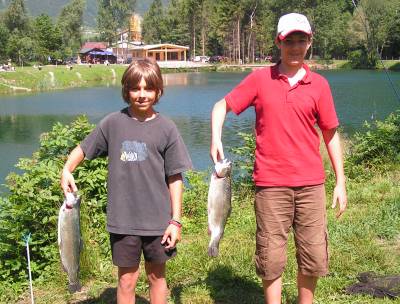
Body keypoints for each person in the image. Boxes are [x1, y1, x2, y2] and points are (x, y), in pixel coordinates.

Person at [210, 13, 347, 304]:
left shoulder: (320, 85)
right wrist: (215, 138)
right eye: (289, 41)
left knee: (313, 253)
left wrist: (340, 182)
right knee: (270, 254)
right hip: (271, 186)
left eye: (301, 40)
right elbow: (221, 106)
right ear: (278, 42)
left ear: (310, 43)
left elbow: (331, 134)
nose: (295, 47)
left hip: (311, 185)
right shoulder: (261, 79)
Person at [60, 58, 192, 304]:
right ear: (126, 90)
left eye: (148, 88)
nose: (142, 95)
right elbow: (83, 149)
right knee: (126, 280)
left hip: (158, 223)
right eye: (135, 88)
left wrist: (175, 220)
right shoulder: (112, 123)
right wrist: (67, 169)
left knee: (157, 278)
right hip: (123, 222)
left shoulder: (167, 128)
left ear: (158, 90)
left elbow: (175, 178)